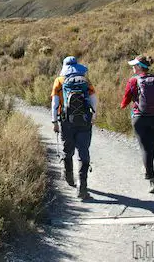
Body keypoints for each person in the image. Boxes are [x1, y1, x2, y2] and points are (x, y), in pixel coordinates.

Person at [121, 55, 154, 194]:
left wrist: (123, 105)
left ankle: (151, 180)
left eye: (134, 66)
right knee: (150, 146)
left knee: (144, 148)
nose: (132, 68)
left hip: (139, 118)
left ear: (140, 67)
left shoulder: (132, 81)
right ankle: (149, 169)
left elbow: (125, 101)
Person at [51, 56, 98, 199]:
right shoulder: (85, 80)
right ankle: (82, 188)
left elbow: (54, 104)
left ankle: (69, 178)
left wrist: (54, 122)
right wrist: (93, 117)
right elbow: (94, 99)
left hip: (66, 122)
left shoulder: (59, 81)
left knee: (68, 150)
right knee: (83, 152)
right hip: (84, 121)